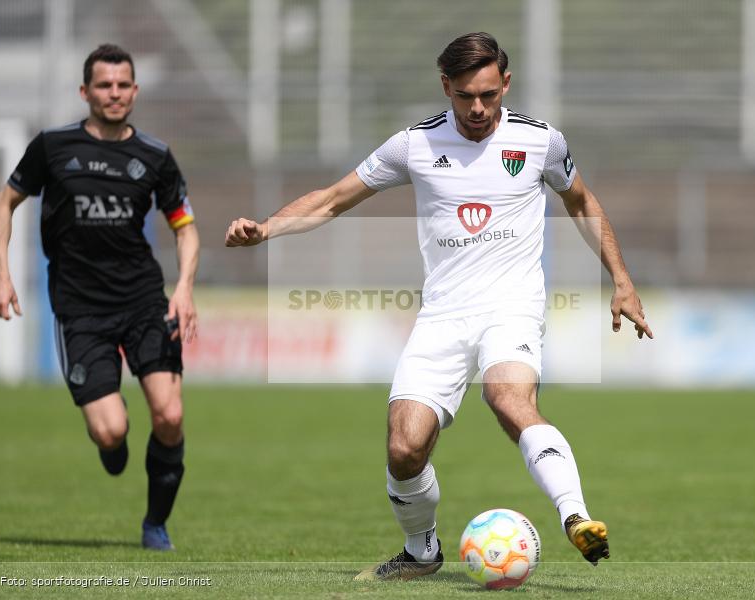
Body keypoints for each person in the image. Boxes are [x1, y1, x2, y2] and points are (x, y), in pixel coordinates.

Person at [225, 32, 652, 579]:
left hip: (513, 305)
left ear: (506, 84)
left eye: (490, 95)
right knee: (404, 448)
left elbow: (582, 201)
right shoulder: (414, 145)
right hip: (443, 315)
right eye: (466, 96)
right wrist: (265, 230)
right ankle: (422, 550)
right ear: (445, 86)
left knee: (508, 397)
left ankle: (577, 518)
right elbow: (333, 198)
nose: (478, 108)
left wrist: (621, 280)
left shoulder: (541, 142)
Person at [0, 44, 199, 551]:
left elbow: (185, 226)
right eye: (104, 85)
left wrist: (186, 286)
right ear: (85, 92)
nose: (114, 93)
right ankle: (114, 438)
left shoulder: (154, 155)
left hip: (145, 302)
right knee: (109, 433)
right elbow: (4, 201)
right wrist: (0, 274)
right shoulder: (53, 146)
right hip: (80, 310)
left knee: (169, 415)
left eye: (123, 84)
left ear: (135, 91)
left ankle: (155, 525)